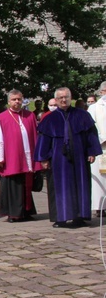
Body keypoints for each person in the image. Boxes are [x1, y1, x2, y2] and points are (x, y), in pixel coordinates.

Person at [35, 87, 101, 228]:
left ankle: (80, 216)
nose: (64, 100)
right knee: (60, 188)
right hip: (58, 159)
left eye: (66, 97)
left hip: (80, 157)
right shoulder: (50, 119)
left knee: (80, 185)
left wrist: (91, 152)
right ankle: (61, 217)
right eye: (60, 98)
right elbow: (43, 140)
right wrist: (43, 158)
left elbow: (90, 135)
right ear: (56, 100)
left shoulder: (82, 115)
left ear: (71, 98)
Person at [0, 90, 41, 222]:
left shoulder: (29, 115)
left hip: (27, 155)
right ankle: (14, 213)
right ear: (9, 102)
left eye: (19, 99)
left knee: (26, 183)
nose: (17, 102)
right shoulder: (2, 117)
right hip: (12, 157)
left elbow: (35, 135)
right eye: (14, 99)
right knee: (13, 185)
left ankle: (27, 212)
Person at [90, 82, 106, 217]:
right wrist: (103, 138)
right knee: (100, 178)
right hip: (101, 147)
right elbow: (91, 128)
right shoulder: (94, 108)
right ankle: (100, 207)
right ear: (101, 92)